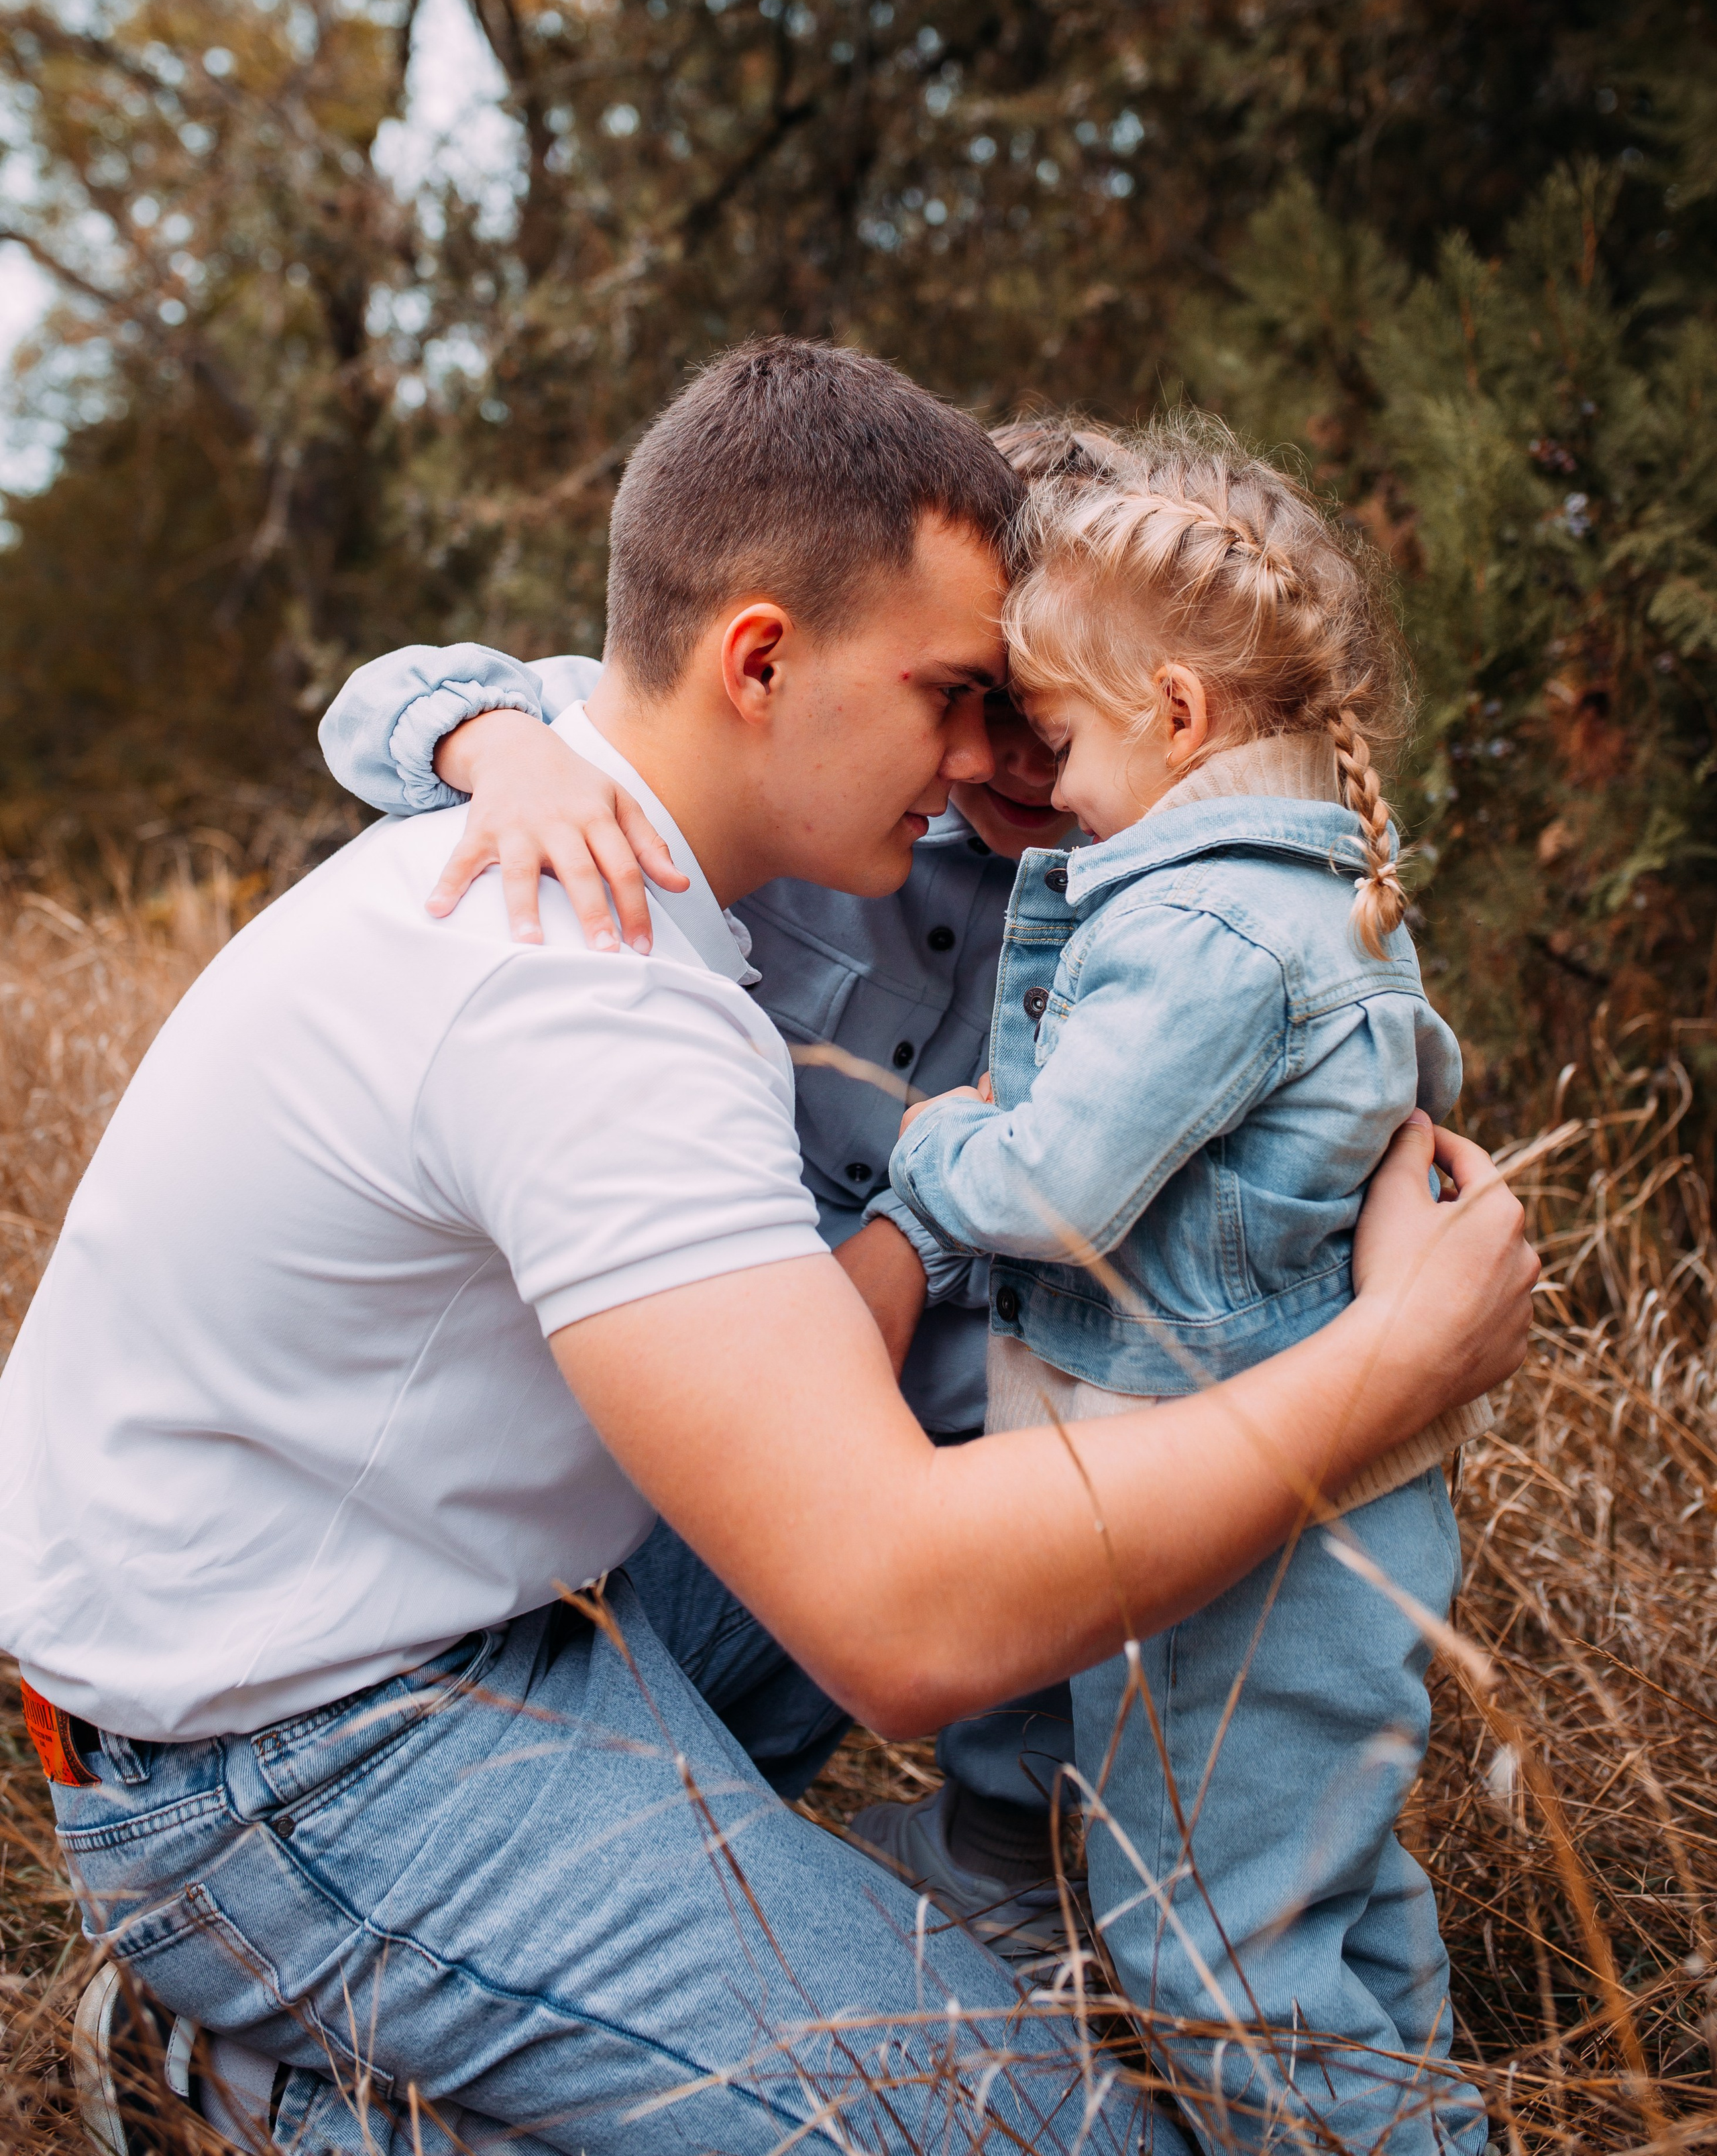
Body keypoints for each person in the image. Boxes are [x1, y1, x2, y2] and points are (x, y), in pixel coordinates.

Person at [0, 342, 1535, 2156]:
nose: (994, 755)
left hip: (506, 1584)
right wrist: (1392, 1369)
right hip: (291, 1759)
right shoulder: (579, 970)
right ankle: (264, 2081)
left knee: (1001, 1432)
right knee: (1034, 2130)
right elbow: (895, 1613)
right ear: (760, 664)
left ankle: (939, 1897)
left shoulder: (785, 857)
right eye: (960, 694)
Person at [315, 418, 1140, 1962]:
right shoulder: (806, 786)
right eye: (986, 699)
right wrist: (500, 749)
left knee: (1054, 1414)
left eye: (1063, 712)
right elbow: (384, 696)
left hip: (896, 1382)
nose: (1010, 759)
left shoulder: (1138, 905)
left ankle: (992, 1852)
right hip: (660, 1370)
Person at [889, 416, 1492, 2155]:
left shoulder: (1199, 930)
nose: (1041, 784)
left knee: (1207, 1954)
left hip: (1243, 1544)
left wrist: (933, 1150)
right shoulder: (1308, 893)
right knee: (1331, 1908)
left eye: (1059, 735)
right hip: (1321, 1513)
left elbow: (1061, 1183)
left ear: (1176, 718)